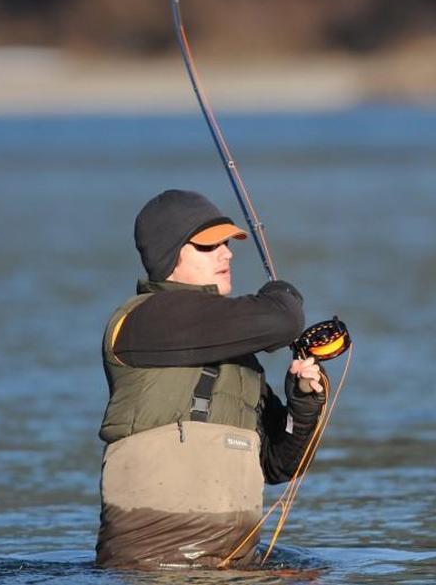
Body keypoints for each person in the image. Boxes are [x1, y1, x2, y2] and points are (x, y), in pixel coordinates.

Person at [96, 189, 327, 569]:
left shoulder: (241, 359)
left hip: (237, 565)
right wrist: (282, 294)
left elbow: (278, 465)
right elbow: (282, 319)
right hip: (155, 567)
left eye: (226, 243)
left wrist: (301, 403)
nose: (227, 253)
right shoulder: (142, 322)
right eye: (208, 246)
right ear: (169, 255)